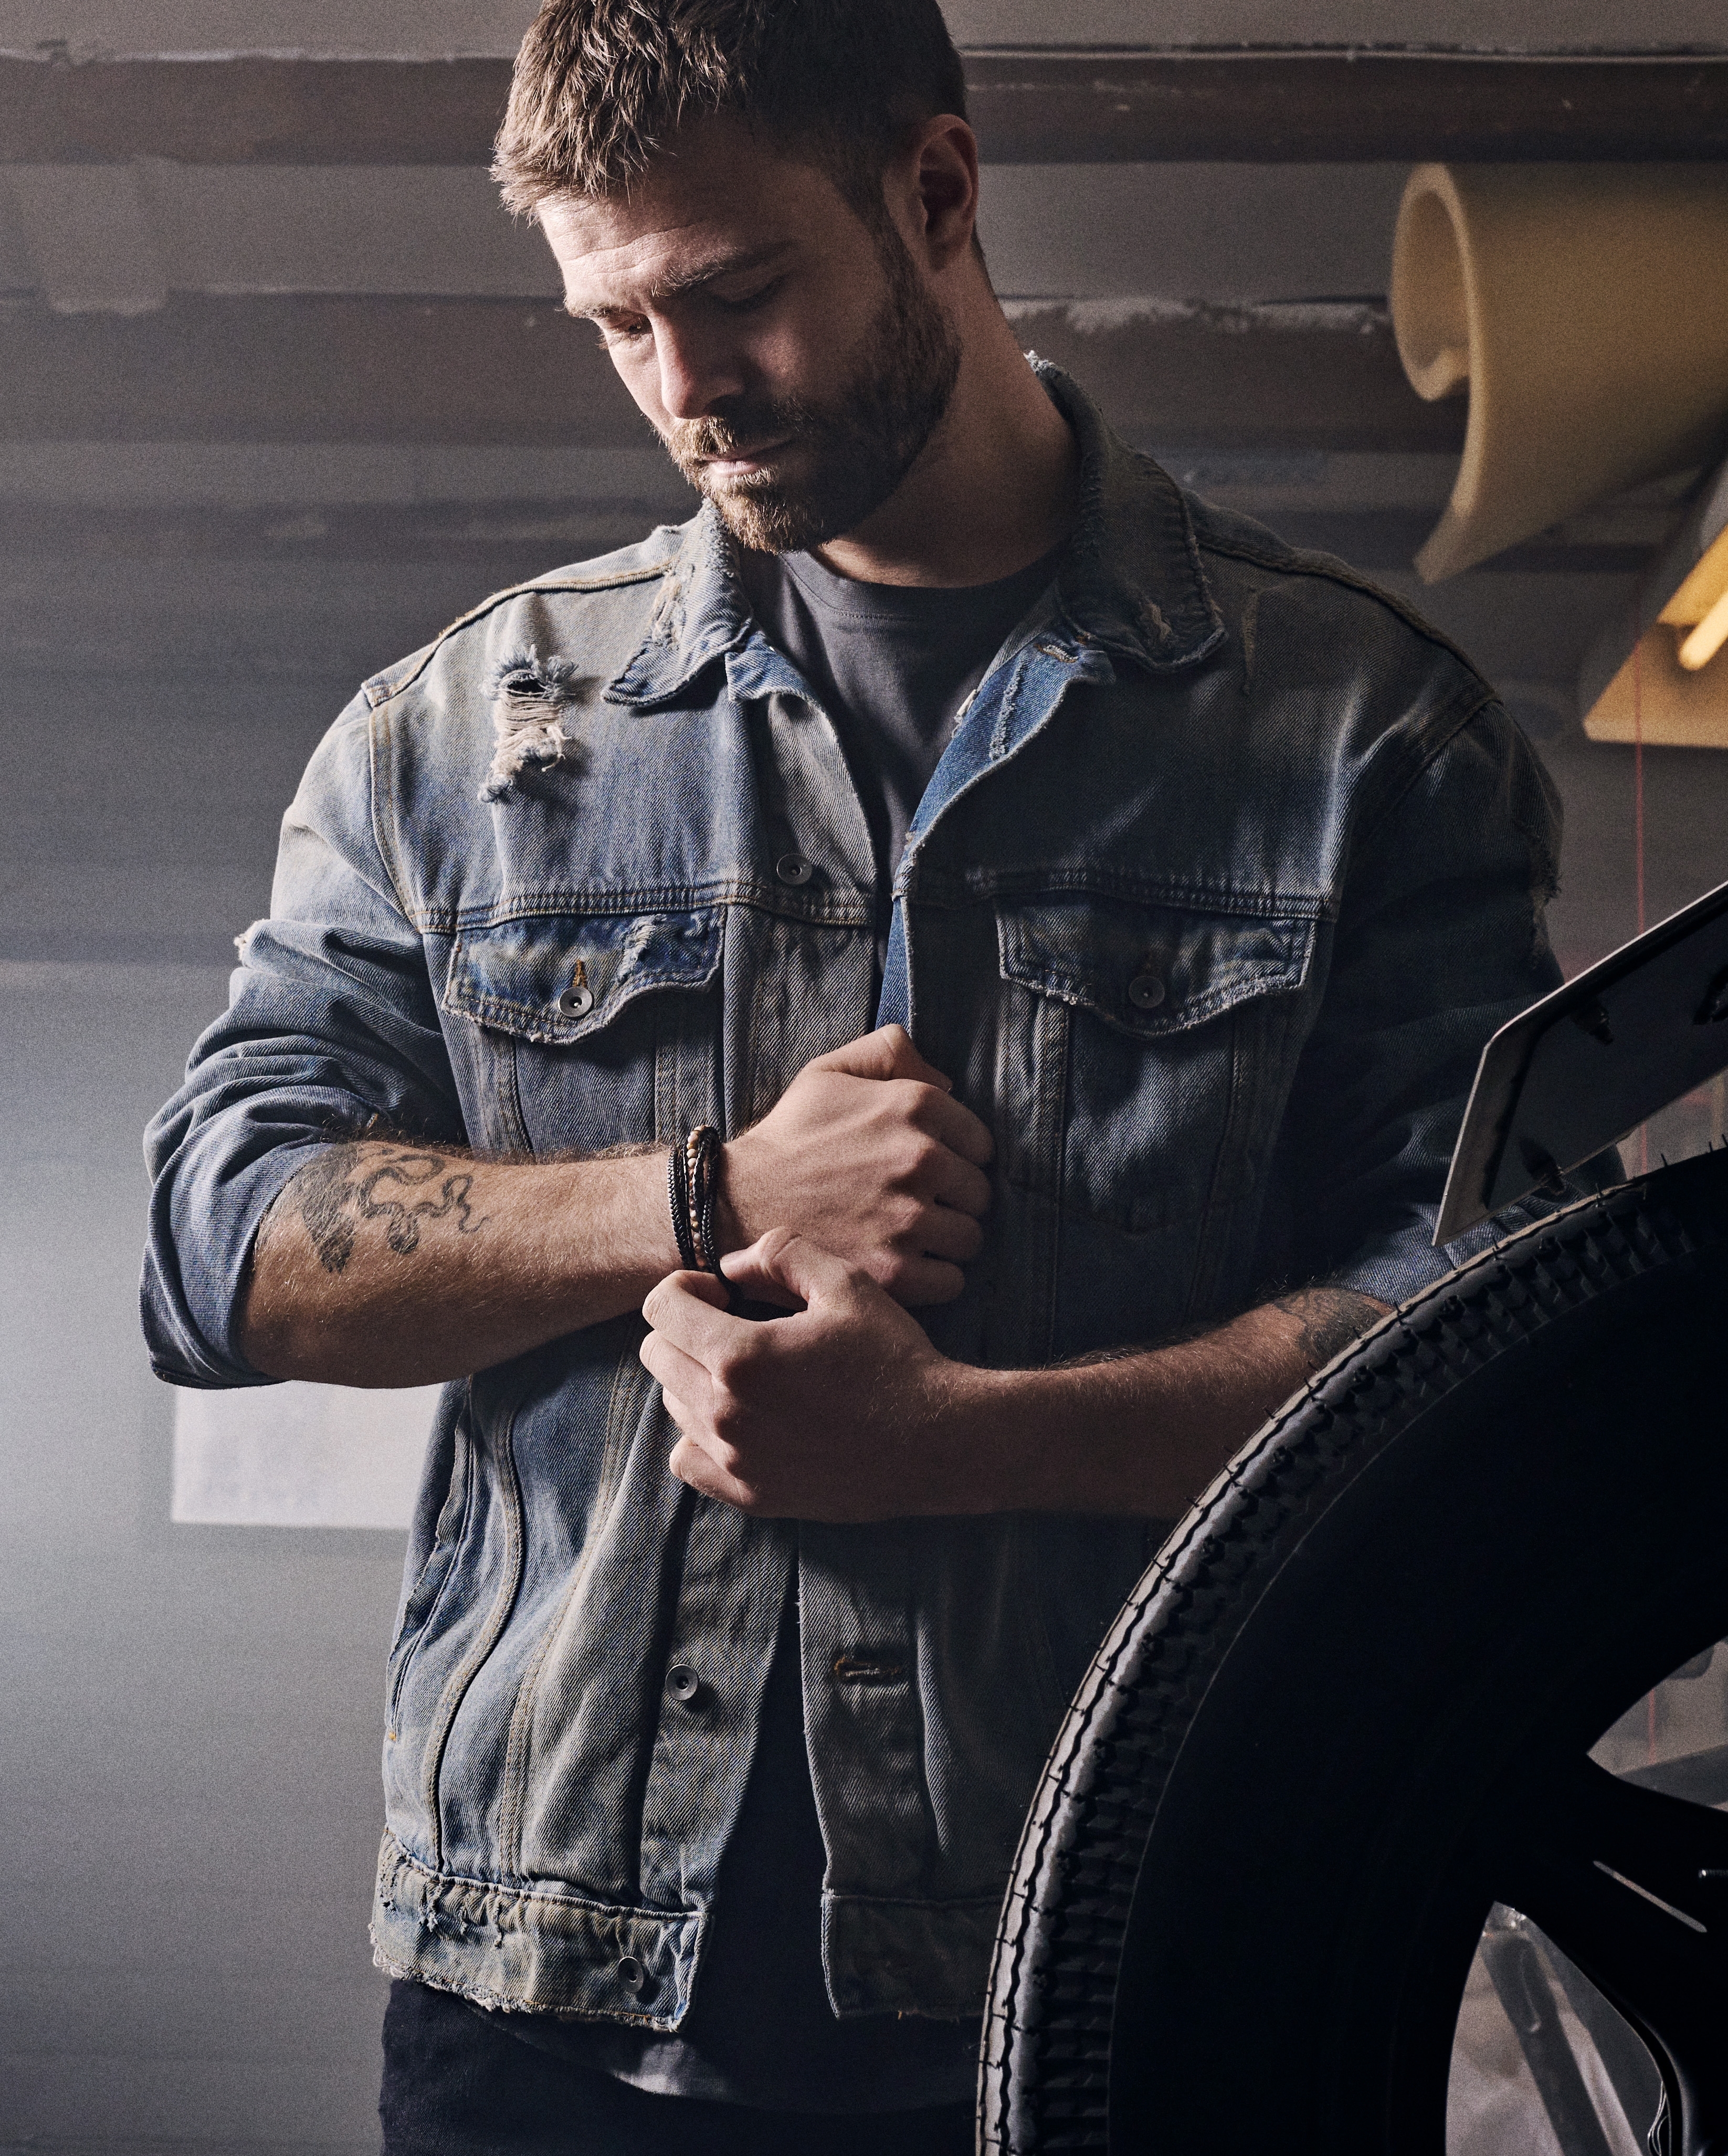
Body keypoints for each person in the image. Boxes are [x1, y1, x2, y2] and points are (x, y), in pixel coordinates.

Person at [142, 2, 1571, 2148]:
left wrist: (971, 1441)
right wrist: (698, 1195)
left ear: (935, 194)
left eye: (735, 293)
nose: (684, 384)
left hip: (1139, 1940)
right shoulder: (456, 742)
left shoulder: (1363, 736)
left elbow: (1497, 1346)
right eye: (614, 322)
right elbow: (214, 1245)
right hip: (554, 2008)